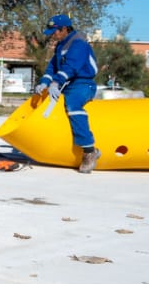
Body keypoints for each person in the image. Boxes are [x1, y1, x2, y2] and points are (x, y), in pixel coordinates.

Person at [35, 13, 100, 173]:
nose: (53, 36)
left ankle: (89, 151)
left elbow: (71, 66)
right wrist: (44, 82)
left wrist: (56, 82)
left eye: (55, 32)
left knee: (72, 105)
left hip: (83, 83)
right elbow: (52, 67)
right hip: (67, 83)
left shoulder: (78, 43)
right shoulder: (61, 46)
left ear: (64, 29)